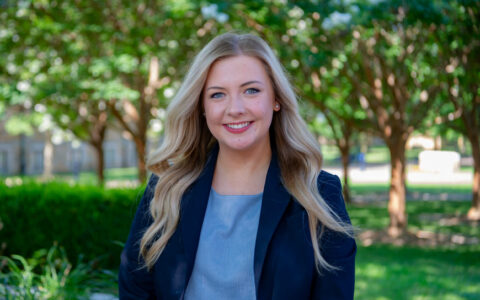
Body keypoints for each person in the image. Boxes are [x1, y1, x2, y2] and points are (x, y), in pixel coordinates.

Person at [119, 33, 356, 300]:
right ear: (202, 107)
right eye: (218, 95)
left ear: (276, 99)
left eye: (251, 90)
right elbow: (134, 290)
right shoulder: (166, 189)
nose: (235, 108)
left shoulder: (319, 194)